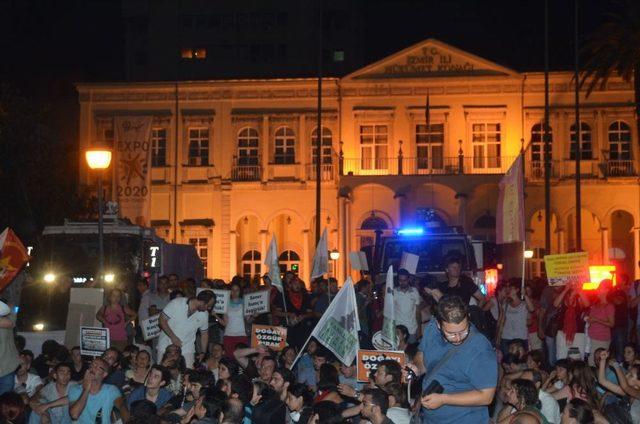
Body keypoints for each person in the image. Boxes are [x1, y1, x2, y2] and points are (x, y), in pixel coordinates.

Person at [419, 295, 498, 423]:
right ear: (438, 324)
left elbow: (486, 396)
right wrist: (416, 368)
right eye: (451, 334)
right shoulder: (431, 328)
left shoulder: (480, 348)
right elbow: (422, 355)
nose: (458, 338)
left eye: (463, 331)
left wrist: (444, 399)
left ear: (468, 318)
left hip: (464, 419)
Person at [157, 290, 216, 368]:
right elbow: (161, 320)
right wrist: (173, 337)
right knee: (162, 372)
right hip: (165, 345)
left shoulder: (204, 315)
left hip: (187, 348)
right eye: (208, 306)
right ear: (202, 302)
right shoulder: (177, 303)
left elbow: (204, 334)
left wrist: (203, 352)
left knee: (187, 374)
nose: (209, 308)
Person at [68, 357, 129, 423]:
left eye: (98, 367)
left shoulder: (111, 390)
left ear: (104, 374)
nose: (93, 368)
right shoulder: (75, 389)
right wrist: (86, 389)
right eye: (91, 365)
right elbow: (74, 415)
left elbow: (122, 406)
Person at [553, 282, 590, 361]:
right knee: (562, 356)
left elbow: (587, 304)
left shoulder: (579, 297)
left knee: (578, 358)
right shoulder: (563, 296)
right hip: (563, 331)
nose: (573, 284)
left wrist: (579, 290)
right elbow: (555, 304)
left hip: (578, 332)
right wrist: (566, 289)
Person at [586, 280, 614, 366]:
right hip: (591, 338)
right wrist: (589, 320)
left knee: (596, 363)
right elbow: (591, 318)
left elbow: (611, 324)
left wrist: (596, 320)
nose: (597, 289)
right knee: (591, 362)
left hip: (601, 338)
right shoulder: (596, 304)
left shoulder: (609, 306)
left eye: (600, 287)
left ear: (607, 290)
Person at [393, 268, 423, 342]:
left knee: (412, 352)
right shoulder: (394, 292)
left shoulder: (414, 291)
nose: (402, 282)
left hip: (412, 329)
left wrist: (419, 329)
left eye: (404, 280)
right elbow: (390, 312)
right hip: (398, 329)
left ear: (408, 279)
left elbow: (418, 312)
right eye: (400, 280)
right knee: (399, 352)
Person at [219, 282, 248, 356]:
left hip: (241, 335)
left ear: (240, 291)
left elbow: (248, 319)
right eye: (233, 290)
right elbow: (225, 323)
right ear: (230, 291)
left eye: (237, 290)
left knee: (242, 358)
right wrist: (215, 315)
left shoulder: (245, 302)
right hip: (228, 335)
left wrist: (254, 316)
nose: (235, 292)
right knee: (229, 358)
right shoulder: (225, 303)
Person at [0, 300, 19, 396]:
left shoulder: (7, 320)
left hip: (7, 367)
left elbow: (10, 323)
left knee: (5, 402)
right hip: (7, 367)